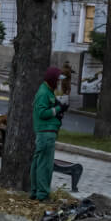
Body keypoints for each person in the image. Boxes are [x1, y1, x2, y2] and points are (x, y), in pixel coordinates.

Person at [31, 66, 65, 200]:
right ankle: (42, 195)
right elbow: (42, 113)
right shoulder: (44, 93)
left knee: (38, 163)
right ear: (52, 80)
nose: (58, 83)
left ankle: (35, 192)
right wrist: (58, 109)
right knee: (45, 165)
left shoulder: (47, 91)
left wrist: (59, 110)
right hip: (46, 133)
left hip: (46, 132)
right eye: (57, 81)